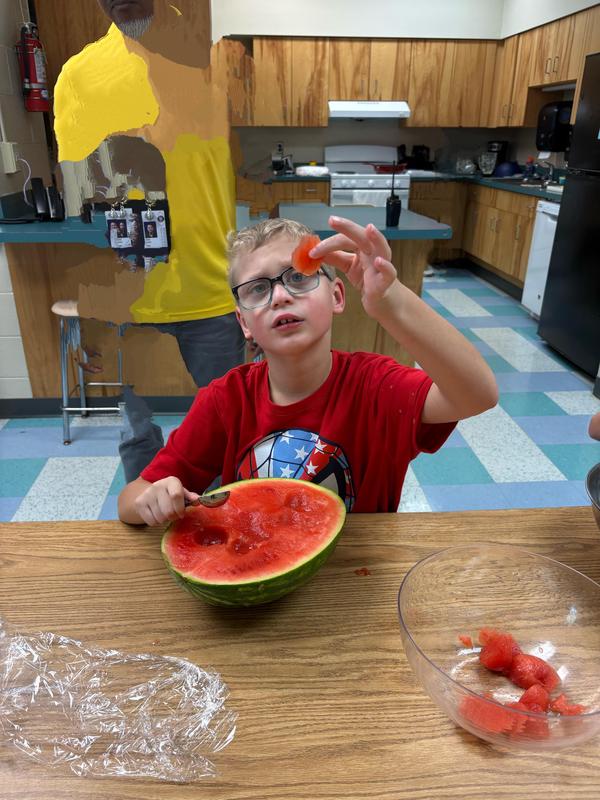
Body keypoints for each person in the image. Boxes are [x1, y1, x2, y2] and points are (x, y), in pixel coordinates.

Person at [118, 215, 499, 523]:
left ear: (336, 296)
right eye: (257, 289)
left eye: (297, 277)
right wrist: (151, 499)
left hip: (357, 580)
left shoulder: (375, 387)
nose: (280, 295)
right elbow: (130, 498)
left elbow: (478, 394)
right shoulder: (225, 400)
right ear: (244, 323)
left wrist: (389, 302)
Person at [53, 0, 252, 481]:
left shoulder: (222, 63)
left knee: (232, 425)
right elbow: (82, 189)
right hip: (128, 292)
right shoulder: (78, 76)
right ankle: (144, 516)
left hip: (210, 291)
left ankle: (235, 515)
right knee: (137, 431)